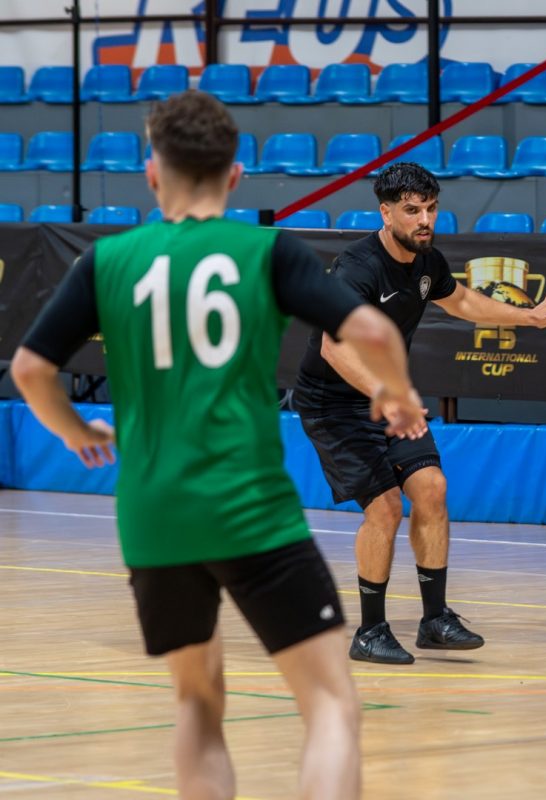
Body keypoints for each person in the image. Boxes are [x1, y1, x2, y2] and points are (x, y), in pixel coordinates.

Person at [11, 90, 425, 799]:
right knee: (330, 704)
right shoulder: (266, 252)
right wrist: (394, 390)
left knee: (197, 705)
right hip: (247, 506)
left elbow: (29, 368)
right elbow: (374, 330)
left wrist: (76, 430)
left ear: (152, 174)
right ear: (235, 176)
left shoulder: (108, 261)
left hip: (153, 516)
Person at [293, 162, 546, 665]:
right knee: (384, 507)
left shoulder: (428, 261)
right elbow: (335, 348)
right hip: (334, 401)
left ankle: (435, 620)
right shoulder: (357, 268)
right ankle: (370, 631)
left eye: (430, 208)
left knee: (432, 488)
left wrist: (530, 317)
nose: (424, 220)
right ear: (385, 213)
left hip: (387, 394)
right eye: (412, 210)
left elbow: (462, 300)